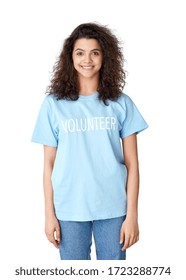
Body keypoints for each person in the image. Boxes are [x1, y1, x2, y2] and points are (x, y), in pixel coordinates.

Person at [31, 22, 148, 260]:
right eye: (80, 53)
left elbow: (133, 165)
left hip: (114, 208)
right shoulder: (53, 105)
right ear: (70, 57)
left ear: (105, 57)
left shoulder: (121, 103)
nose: (87, 59)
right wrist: (49, 214)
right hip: (69, 209)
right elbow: (48, 167)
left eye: (95, 52)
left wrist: (133, 216)